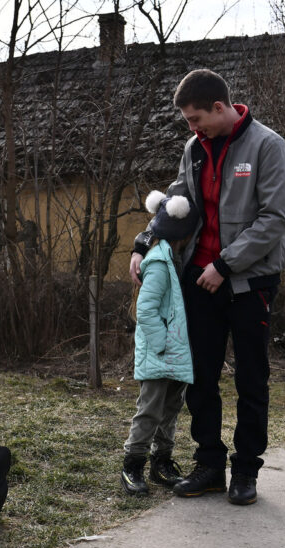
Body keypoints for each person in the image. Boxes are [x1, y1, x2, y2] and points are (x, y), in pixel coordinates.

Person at [129, 69, 285, 505]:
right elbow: (177, 203)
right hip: (198, 280)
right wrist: (145, 242)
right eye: (188, 120)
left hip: (249, 282)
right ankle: (209, 465)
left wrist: (225, 264)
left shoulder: (267, 146)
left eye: (195, 118)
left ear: (219, 108)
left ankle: (245, 472)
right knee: (199, 376)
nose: (191, 126)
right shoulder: (194, 149)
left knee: (251, 378)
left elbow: (274, 220)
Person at [121, 191, 198, 496]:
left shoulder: (176, 259)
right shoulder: (158, 263)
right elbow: (146, 310)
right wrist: (162, 346)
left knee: (170, 409)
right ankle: (133, 465)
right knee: (150, 410)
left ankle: (161, 462)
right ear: (185, 233)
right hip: (161, 353)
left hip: (176, 354)